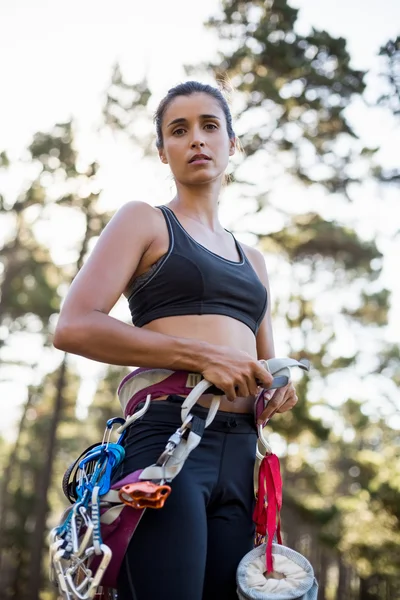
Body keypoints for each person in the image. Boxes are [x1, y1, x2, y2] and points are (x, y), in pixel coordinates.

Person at [53, 81, 299, 600]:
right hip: (170, 437)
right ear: (162, 151)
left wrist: (274, 388)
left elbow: (259, 361)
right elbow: (73, 324)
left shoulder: (254, 261)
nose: (196, 140)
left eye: (210, 126)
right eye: (179, 130)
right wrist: (198, 354)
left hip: (241, 456)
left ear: (234, 143)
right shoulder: (145, 220)